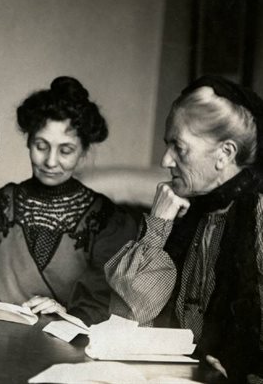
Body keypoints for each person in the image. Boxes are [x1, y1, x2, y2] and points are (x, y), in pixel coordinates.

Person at [105, 76, 263, 382]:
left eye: (179, 147)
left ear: (226, 154)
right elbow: (130, 318)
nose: (165, 160)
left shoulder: (257, 219)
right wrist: (158, 225)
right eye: (167, 145)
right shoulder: (190, 212)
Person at [0, 77, 137, 325]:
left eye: (65, 150)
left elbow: (105, 305)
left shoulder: (107, 220)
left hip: (66, 349)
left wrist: (66, 314)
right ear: (28, 141)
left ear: (84, 151)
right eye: (41, 146)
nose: (51, 161)